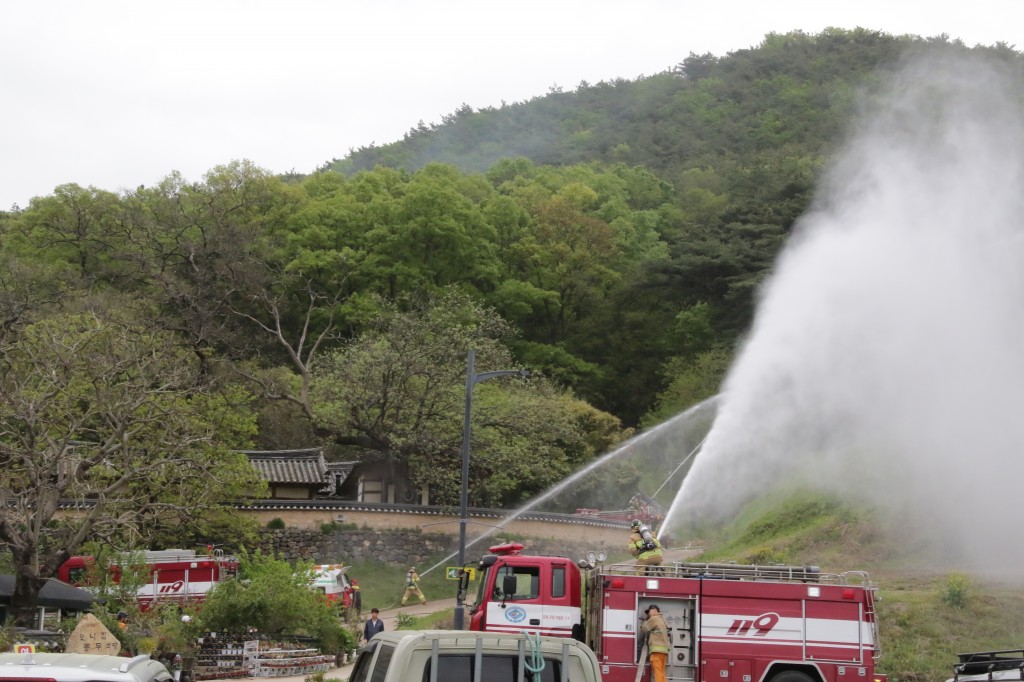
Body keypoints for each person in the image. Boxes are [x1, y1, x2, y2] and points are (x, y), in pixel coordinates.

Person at [641, 604, 669, 682]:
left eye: (649, 612)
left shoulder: (654, 619)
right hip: (664, 651)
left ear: (653, 610)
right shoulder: (662, 619)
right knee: (662, 673)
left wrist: (644, 621)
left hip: (656, 651)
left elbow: (644, 628)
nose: (648, 614)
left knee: (657, 673)